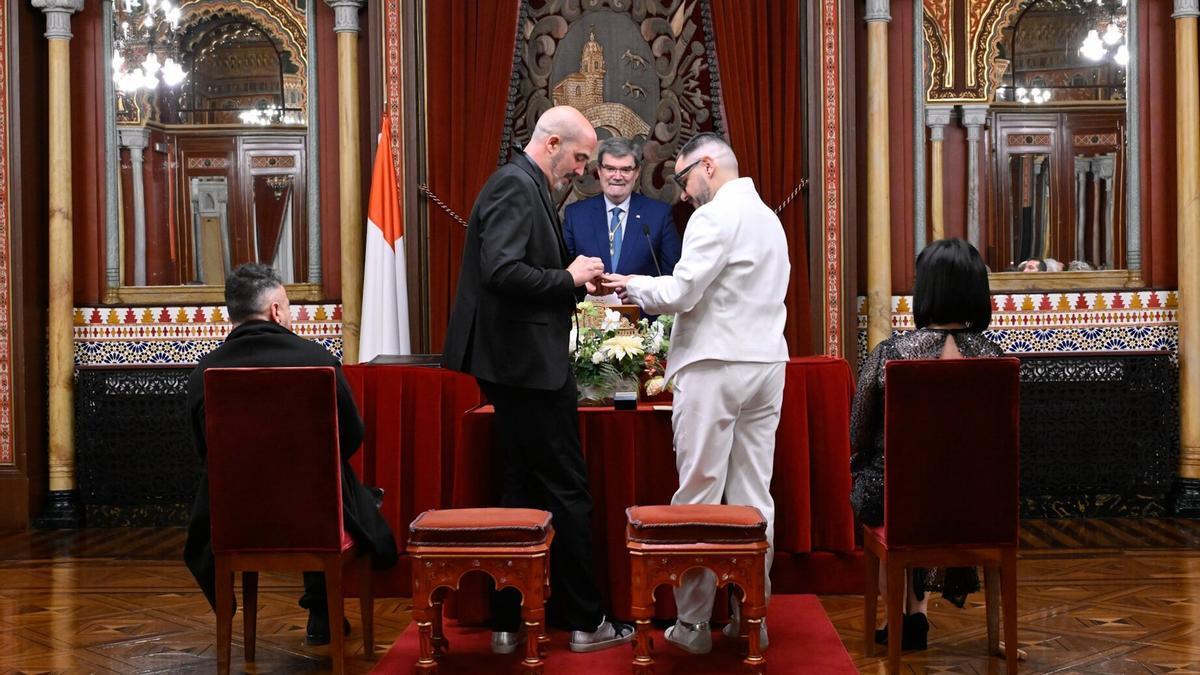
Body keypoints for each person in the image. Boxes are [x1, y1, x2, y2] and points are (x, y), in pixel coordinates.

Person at [441, 105, 633, 654]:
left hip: (518, 365)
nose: (581, 170)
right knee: (570, 493)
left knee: (520, 490)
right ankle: (586, 622)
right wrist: (568, 276)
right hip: (526, 367)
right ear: (551, 144)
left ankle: (509, 623)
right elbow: (501, 270)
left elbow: (522, 270)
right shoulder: (513, 186)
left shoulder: (523, 183)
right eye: (578, 158)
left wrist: (575, 285)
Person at [602, 132, 790, 655]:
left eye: (685, 179)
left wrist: (629, 285)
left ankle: (692, 627)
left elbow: (682, 292)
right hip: (767, 365)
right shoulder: (769, 219)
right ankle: (753, 617)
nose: (683, 193)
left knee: (699, 496)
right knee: (755, 499)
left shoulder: (715, 216)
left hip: (714, 366)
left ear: (708, 165)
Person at [183, 263, 398, 645]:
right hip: (315, 513)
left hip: (237, 521)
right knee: (328, 485)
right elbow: (351, 436)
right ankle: (322, 612)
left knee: (294, 486)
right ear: (276, 311)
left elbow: (204, 451)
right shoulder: (318, 361)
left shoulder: (205, 372)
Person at [849, 238, 1003, 650]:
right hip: (977, 505)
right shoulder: (995, 358)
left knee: (891, 481)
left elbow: (858, 432)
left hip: (905, 499)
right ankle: (917, 616)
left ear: (925, 292)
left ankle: (900, 617)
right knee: (938, 481)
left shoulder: (892, 355)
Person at [562, 136, 682, 281]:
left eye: (625, 169)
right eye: (610, 168)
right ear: (599, 171)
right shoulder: (576, 215)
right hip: (590, 302)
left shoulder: (659, 215)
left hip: (638, 303)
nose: (617, 176)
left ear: (636, 172)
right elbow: (564, 274)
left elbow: (673, 279)